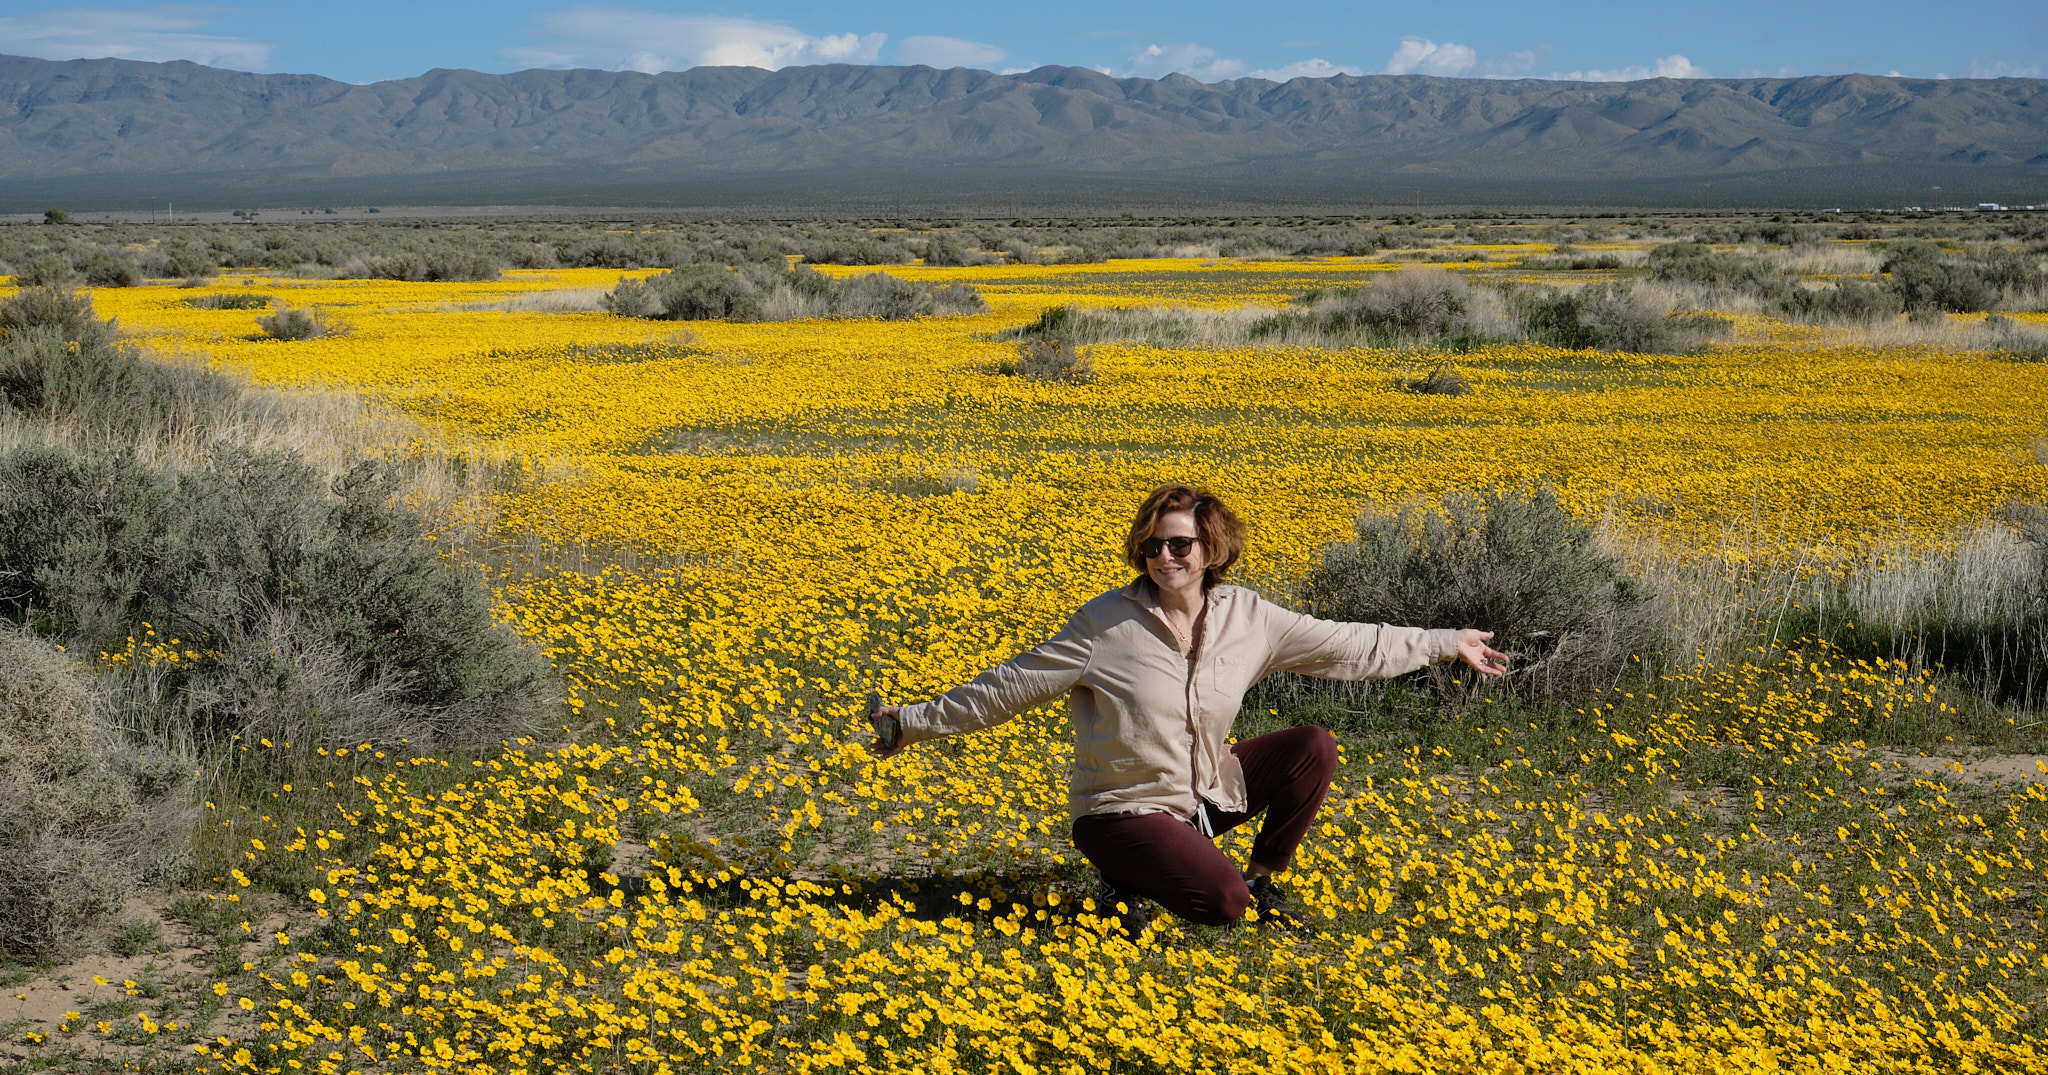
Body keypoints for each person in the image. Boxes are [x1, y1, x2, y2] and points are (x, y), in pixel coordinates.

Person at [867, 484, 1509, 932]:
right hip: (1120, 811)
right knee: (1221, 905)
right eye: (1152, 546)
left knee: (1312, 746)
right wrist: (912, 721)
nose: (1164, 557)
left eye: (1179, 545)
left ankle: (1263, 878)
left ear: (1212, 548)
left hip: (1200, 797)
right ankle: (1131, 881)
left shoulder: (1250, 618)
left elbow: (1348, 645)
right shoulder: (1104, 625)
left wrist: (1444, 644)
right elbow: (1007, 688)